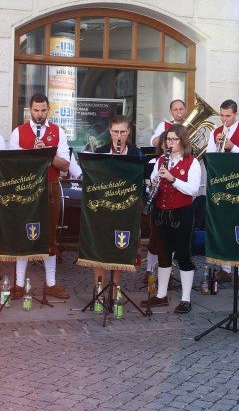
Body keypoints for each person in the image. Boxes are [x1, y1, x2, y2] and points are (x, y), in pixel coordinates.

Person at [8, 93, 70, 300]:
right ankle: (18, 284)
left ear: (48, 110)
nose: (40, 114)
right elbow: (13, 165)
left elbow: (65, 165)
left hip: (50, 187)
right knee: (23, 234)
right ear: (29, 110)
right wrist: (31, 154)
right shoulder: (18, 132)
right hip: (26, 189)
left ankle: (51, 284)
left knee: (50, 235)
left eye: (43, 110)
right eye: (36, 110)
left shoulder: (58, 131)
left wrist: (49, 155)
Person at [142, 124, 201, 314]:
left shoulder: (192, 162)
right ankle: (161, 295)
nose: (170, 143)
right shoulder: (160, 160)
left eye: (174, 140)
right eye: (168, 139)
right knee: (163, 253)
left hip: (182, 212)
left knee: (183, 254)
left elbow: (193, 190)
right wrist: (153, 183)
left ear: (182, 141)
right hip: (160, 211)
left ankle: (185, 299)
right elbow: (151, 183)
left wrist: (172, 179)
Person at [86, 115, 143, 300]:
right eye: (116, 132)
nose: (119, 136)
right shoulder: (100, 152)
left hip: (126, 210)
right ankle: (99, 292)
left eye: (123, 132)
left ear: (129, 132)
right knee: (100, 248)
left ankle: (115, 290)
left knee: (121, 247)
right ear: (110, 132)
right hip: (103, 209)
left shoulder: (137, 154)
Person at [207, 99, 239, 289]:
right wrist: (218, 148)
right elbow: (210, 159)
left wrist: (232, 147)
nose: (224, 119)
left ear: (235, 115)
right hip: (222, 185)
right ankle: (226, 269)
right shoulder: (215, 132)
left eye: (228, 116)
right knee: (224, 225)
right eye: (222, 115)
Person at [145, 100, 185, 277]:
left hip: (179, 202)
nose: (178, 112)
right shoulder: (157, 161)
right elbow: (153, 140)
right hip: (159, 205)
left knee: (176, 239)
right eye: (175, 109)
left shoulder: (187, 130)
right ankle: (150, 271)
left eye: (181, 109)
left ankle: (169, 271)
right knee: (156, 239)